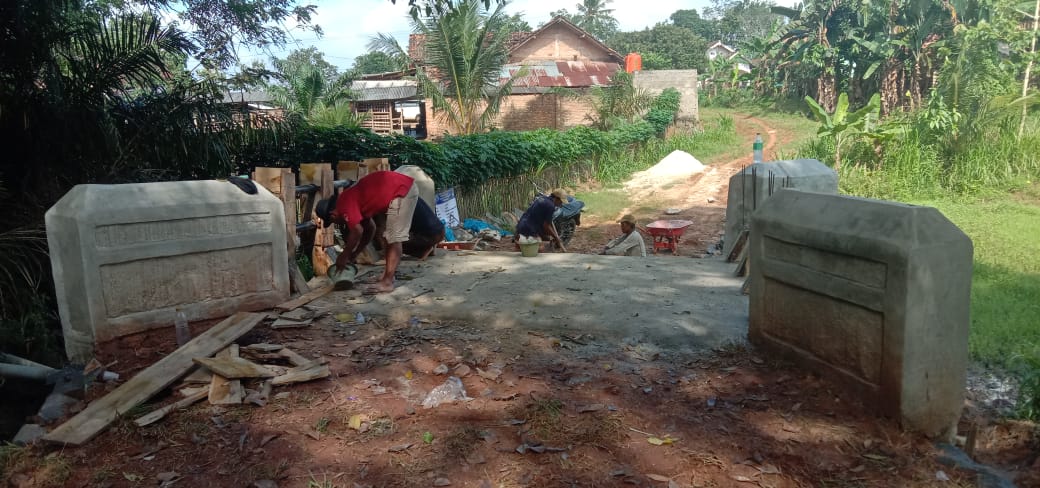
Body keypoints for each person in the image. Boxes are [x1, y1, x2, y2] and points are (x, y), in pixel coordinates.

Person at [315, 170, 418, 294]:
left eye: (333, 222)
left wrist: (344, 255)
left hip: (402, 190)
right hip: (400, 188)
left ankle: (387, 282)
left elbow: (357, 231)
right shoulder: (351, 202)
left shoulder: (344, 204)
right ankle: (387, 275)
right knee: (387, 237)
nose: (338, 224)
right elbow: (370, 229)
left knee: (394, 238)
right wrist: (355, 253)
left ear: (333, 215)